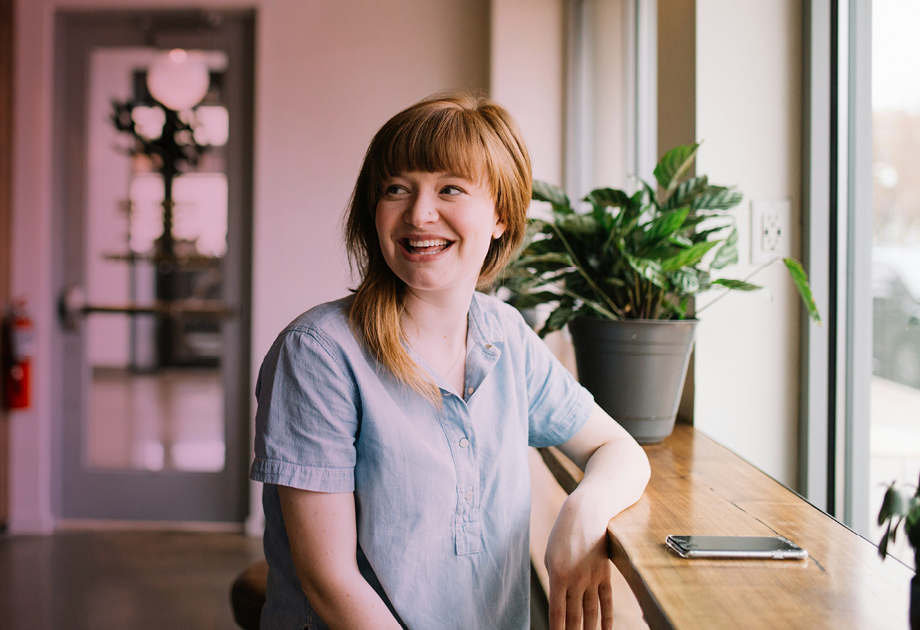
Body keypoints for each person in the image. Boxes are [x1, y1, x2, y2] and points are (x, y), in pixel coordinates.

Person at [250, 93, 650, 630]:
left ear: (501, 216)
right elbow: (330, 583)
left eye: (450, 189)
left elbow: (618, 449)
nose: (418, 214)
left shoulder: (504, 334)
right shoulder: (318, 352)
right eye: (397, 189)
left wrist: (582, 513)